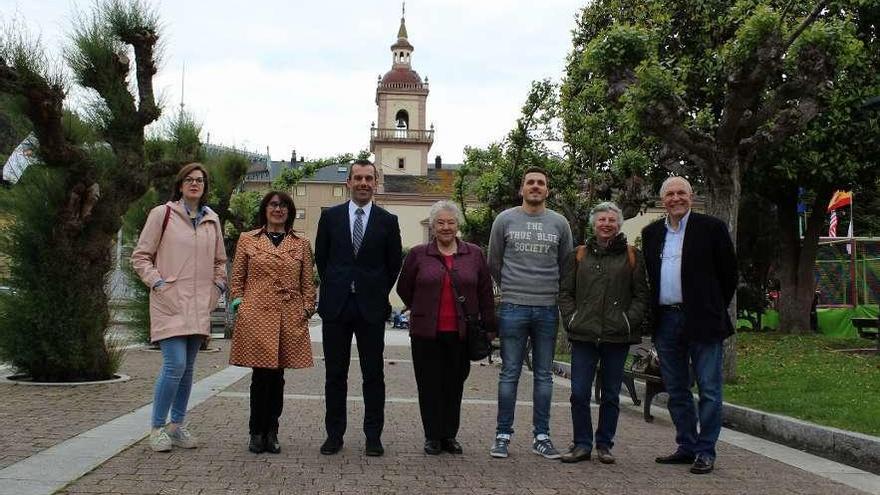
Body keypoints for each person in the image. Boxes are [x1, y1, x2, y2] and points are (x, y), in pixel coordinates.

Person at [641, 176, 737, 474]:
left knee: (709, 387)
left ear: (691, 197)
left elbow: (729, 275)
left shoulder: (712, 228)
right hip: (667, 319)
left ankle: (706, 450)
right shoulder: (652, 233)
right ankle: (687, 445)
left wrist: (710, 305)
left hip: (704, 319)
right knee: (676, 387)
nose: (676, 198)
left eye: (681, 192)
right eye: (670, 194)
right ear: (662, 200)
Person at [132, 162, 228, 452]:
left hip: (200, 304)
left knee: (187, 370)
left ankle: (177, 426)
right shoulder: (162, 214)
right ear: (180, 184)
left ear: (205, 186)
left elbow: (220, 262)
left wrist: (217, 288)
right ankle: (157, 428)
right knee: (175, 364)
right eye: (189, 179)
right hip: (170, 302)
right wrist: (159, 284)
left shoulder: (212, 219)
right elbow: (140, 257)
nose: (194, 184)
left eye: (199, 180)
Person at [314, 159, 402, 456]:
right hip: (336, 307)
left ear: (375, 183)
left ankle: (373, 436)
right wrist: (340, 284)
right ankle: (334, 435)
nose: (364, 183)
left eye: (369, 178)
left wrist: (374, 290)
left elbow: (393, 265)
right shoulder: (330, 218)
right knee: (335, 375)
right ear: (348, 183)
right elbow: (322, 260)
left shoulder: (388, 221)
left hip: (371, 308)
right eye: (358, 178)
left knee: (373, 374)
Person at [397, 200, 496, 455]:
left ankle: (449, 435)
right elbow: (404, 287)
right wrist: (422, 307)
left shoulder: (474, 254)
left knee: (454, 385)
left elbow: (485, 292)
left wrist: (490, 326)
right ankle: (432, 436)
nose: (446, 227)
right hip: (426, 333)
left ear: (458, 225)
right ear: (432, 226)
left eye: (451, 222)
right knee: (428, 385)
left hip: (461, 334)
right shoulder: (418, 254)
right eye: (440, 222)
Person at [488, 167, 574, 459]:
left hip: (547, 308)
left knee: (544, 376)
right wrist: (513, 288)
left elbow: (566, 266)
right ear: (521, 189)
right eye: (530, 182)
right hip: (513, 307)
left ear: (547, 190)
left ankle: (542, 436)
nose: (535, 187)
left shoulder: (560, 223)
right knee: (509, 373)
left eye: (541, 183)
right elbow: (494, 261)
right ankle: (502, 435)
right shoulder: (505, 220)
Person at [558, 202, 648, 464]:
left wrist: (627, 321)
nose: (606, 224)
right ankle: (582, 444)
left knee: (610, 394)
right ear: (594, 224)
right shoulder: (579, 255)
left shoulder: (632, 256)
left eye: (611, 220)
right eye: (601, 220)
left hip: (616, 336)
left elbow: (641, 295)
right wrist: (572, 318)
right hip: (584, 335)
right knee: (579, 393)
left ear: (618, 224)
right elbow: (565, 292)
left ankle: (605, 444)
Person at [228, 191, 316, 454]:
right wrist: (239, 303)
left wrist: (307, 309)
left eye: (283, 206)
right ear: (265, 209)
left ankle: (272, 431)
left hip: (288, 316)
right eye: (273, 205)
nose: (278, 209)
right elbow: (238, 277)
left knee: (278, 377)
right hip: (256, 315)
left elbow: (307, 281)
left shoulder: (300, 243)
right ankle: (256, 431)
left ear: (289, 211)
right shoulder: (248, 239)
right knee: (260, 377)